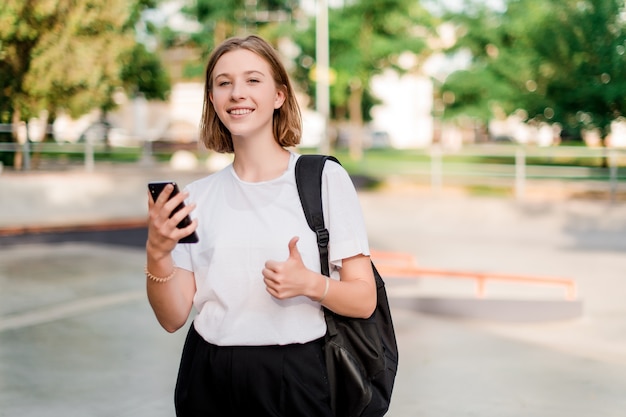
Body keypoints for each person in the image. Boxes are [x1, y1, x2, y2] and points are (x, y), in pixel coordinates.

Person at [145, 34, 376, 417]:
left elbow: (364, 300)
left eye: (253, 80)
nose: (237, 93)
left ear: (279, 96)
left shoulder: (323, 178)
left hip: (296, 377)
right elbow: (172, 318)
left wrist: (311, 284)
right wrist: (157, 253)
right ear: (213, 99)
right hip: (208, 376)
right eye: (223, 83)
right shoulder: (196, 196)